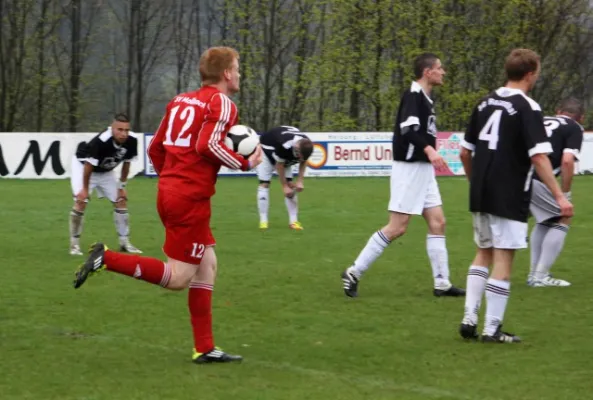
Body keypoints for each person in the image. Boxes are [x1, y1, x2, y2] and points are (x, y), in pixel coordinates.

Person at [72, 46, 263, 363]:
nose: (240, 73)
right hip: (188, 198)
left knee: (208, 266)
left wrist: (173, 179)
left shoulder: (179, 101)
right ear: (227, 74)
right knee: (177, 278)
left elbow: (156, 148)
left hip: (174, 192)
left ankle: (204, 348)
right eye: (238, 68)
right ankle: (107, 258)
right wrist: (246, 163)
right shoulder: (223, 103)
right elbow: (207, 144)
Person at [458, 48, 573, 343]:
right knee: (504, 258)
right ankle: (491, 329)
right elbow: (539, 158)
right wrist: (560, 196)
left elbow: (464, 151)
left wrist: (475, 181)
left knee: (483, 251)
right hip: (509, 191)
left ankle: (469, 317)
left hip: (480, 189)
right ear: (531, 74)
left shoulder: (484, 102)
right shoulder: (527, 107)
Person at [340, 53, 465, 298]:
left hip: (422, 170)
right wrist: (430, 150)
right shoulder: (413, 95)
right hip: (409, 169)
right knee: (397, 227)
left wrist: (428, 155)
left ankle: (442, 283)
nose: (444, 72)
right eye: (440, 68)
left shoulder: (426, 98)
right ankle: (353, 271)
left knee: (438, 222)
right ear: (428, 72)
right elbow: (408, 130)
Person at [527, 98, 584, 287]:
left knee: (546, 219)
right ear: (581, 118)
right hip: (537, 177)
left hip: (517, 175)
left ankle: (535, 274)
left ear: (558, 110)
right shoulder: (574, 127)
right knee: (564, 216)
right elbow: (567, 161)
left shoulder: (540, 119)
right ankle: (540, 276)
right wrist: (565, 193)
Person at [69, 113, 142, 255]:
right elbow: (89, 166)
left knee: (121, 201)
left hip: (105, 171)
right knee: (81, 201)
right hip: (83, 166)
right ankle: (74, 245)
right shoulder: (102, 141)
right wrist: (84, 189)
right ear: (112, 128)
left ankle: (124, 243)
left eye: (126, 130)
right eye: (119, 130)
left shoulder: (132, 140)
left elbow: (126, 164)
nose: (123, 133)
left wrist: (122, 187)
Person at [257, 126, 314, 230]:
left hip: (284, 155)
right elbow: (279, 165)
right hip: (266, 151)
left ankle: (294, 222)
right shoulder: (285, 145)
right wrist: (284, 186)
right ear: (297, 147)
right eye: (299, 155)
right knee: (264, 184)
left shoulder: (307, 145)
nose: (299, 158)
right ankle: (263, 221)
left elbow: (304, 161)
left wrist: (300, 181)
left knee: (291, 187)